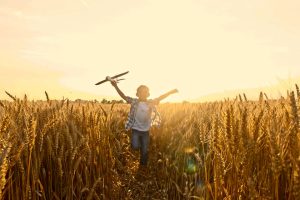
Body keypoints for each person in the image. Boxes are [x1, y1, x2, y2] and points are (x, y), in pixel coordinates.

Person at [110, 80, 178, 166]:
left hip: (146, 131)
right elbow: (123, 96)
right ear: (137, 94)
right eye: (141, 92)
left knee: (145, 150)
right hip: (135, 129)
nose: (143, 93)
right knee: (134, 146)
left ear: (148, 94)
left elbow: (161, 97)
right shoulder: (134, 101)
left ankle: (143, 166)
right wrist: (115, 86)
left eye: (145, 92)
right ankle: (138, 149)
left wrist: (171, 92)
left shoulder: (150, 102)